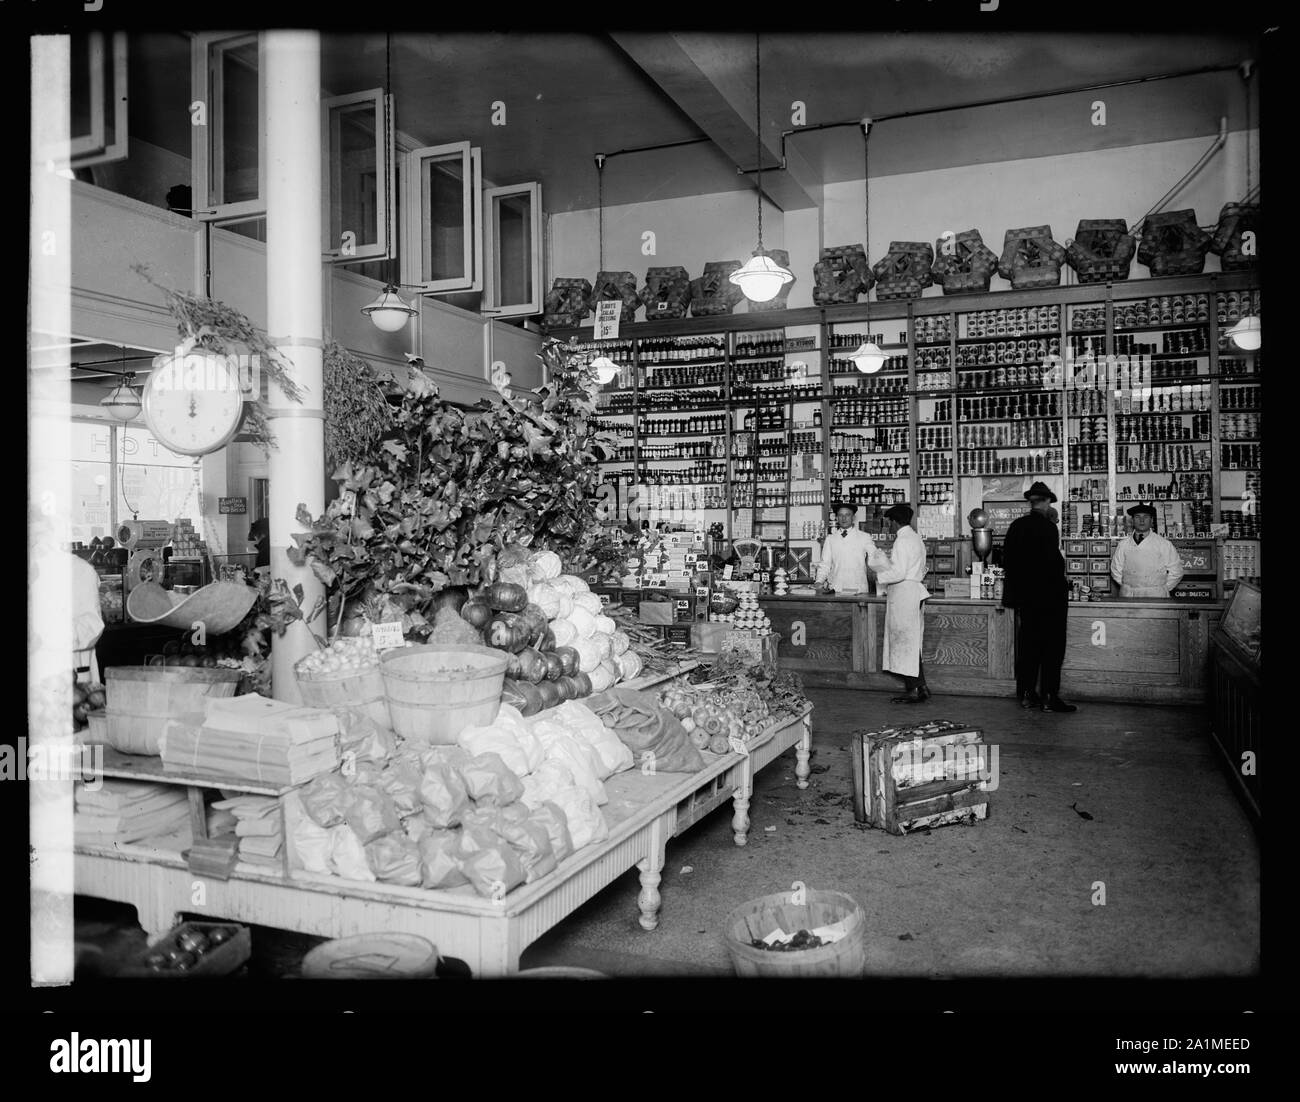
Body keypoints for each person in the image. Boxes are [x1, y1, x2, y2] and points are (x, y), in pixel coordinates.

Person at [1001, 481, 1076, 713]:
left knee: (1028, 648)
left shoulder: (1016, 525)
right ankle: (1050, 697)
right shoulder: (1048, 528)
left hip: (1026, 600)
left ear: (1030, 502)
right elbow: (1052, 565)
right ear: (1045, 502)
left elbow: (1008, 563)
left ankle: (1026, 694)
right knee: (1052, 649)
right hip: (1049, 599)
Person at [869, 503, 930, 704]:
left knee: (904, 642)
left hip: (905, 594)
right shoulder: (916, 538)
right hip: (913, 592)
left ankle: (913, 689)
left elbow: (899, 572)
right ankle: (921, 687)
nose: (890, 527)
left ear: (894, 522)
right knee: (911, 642)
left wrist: (877, 573)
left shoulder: (902, 541)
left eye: (889, 523)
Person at [1110, 504, 1184, 598]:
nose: (1141, 520)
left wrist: (1161, 588)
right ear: (1132, 520)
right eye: (1137, 517)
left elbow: (1177, 571)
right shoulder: (1123, 545)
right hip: (1129, 594)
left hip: (1156, 595)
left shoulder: (1164, 544)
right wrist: (1128, 587)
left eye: (1146, 517)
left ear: (1152, 520)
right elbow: (1115, 570)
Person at [815, 502, 877, 595]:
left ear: (853, 517)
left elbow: (876, 559)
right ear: (836, 517)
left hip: (858, 588)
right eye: (840, 515)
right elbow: (825, 564)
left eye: (847, 515)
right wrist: (819, 581)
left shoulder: (864, 537)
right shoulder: (830, 539)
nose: (844, 518)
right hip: (836, 587)